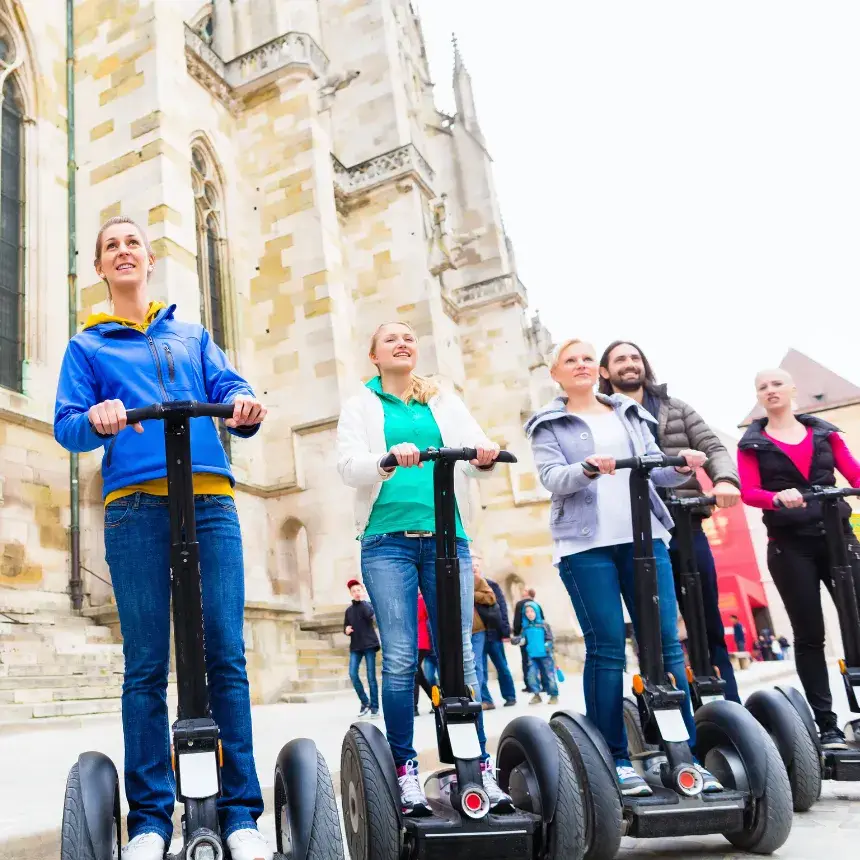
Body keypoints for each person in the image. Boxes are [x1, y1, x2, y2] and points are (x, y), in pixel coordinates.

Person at [53, 217, 270, 860]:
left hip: (208, 500)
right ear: (101, 267)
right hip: (136, 507)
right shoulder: (88, 347)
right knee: (146, 666)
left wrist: (245, 402)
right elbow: (68, 425)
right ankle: (150, 819)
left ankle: (239, 814)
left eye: (132, 244)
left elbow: (228, 389)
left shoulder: (193, 335)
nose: (123, 251)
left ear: (150, 261)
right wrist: (96, 417)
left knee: (226, 656)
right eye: (110, 246)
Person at [525, 338, 722, 797]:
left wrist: (684, 465)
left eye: (587, 359)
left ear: (599, 370)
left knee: (667, 644)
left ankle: (683, 754)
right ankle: (613, 758)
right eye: (570, 361)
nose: (581, 366)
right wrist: (589, 469)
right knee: (608, 646)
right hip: (585, 545)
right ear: (555, 374)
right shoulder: (548, 423)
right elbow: (553, 478)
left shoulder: (629, 414)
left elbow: (656, 470)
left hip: (645, 537)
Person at [336, 320, 513, 816]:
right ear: (374, 355)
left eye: (409, 337)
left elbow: (478, 450)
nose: (403, 342)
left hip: (446, 539)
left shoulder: (442, 399)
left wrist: (485, 454)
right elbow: (348, 466)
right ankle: (403, 767)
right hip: (386, 542)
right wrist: (387, 459)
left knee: (459, 653)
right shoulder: (361, 405)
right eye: (390, 338)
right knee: (398, 658)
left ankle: (473, 766)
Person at [599, 340, 743, 704]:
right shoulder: (600, 414)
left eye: (635, 357)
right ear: (606, 371)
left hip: (684, 522)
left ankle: (729, 711)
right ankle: (669, 713)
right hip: (635, 530)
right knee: (651, 628)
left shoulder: (674, 408)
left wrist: (725, 479)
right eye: (620, 359)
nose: (629, 364)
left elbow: (713, 448)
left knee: (706, 619)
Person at [738, 367, 860, 749]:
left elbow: (853, 472)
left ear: (792, 389)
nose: (771, 390)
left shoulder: (825, 433)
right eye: (763, 387)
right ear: (759, 396)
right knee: (809, 636)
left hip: (838, 537)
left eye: (777, 384)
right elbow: (749, 490)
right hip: (791, 545)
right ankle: (827, 725)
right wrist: (776, 497)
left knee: (857, 622)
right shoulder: (752, 442)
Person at [472, 552, 517, 708]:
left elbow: (501, 608)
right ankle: (486, 700)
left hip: (493, 632)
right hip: (478, 633)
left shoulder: (490, 584)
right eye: (471, 566)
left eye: (476, 566)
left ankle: (510, 696)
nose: (473, 569)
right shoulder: (466, 584)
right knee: (480, 667)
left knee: (502, 666)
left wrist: (505, 632)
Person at [344, 578, 380, 719]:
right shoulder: (349, 611)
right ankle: (365, 702)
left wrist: (363, 601)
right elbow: (346, 625)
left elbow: (370, 616)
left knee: (371, 677)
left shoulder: (368, 606)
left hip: (369, 644)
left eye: (358, 590)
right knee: (353, 673)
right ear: (351, 594)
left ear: (363, 591)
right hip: (356, 646)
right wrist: (346, 629)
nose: (356, 593)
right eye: (354, 591)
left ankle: (375, 707)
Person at [514, 601, 559, 704]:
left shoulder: (544, 625)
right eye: (527, 612)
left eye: (532, 611)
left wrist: (547, 646)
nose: (529, 613)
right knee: (531, 675)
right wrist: (517, 640)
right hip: (532, 656)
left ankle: (554, 695)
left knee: (549, 676)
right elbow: (523, 640)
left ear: (537, 612)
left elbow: (550, 638)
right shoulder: (525, 627)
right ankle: (536, 695)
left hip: (546, 656)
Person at [471, 567, 498, 711]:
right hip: (459, 629)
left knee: (476, 665)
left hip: (477, 630)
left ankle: (477, 700)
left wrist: (472, 595)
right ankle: (485, 700)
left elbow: (491, 597)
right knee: (469, 667)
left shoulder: (476, 580)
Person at [513, 586, 542, 689]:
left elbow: (517, 621)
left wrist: (516, 634)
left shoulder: (520, 604)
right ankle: (542, 683)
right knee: (539, 659)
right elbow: (542, 619)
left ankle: (529, 685)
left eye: (524, 590)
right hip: (538, 638)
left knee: (526, 660)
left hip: (525, 636)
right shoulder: (537, 604)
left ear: (527, 593)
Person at [414, 592, 438, 716]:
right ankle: (436, 701)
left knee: (414, 672)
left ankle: (414, 707)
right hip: (412, 642)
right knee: (420, 677)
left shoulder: (421, 599)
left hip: (422, 641)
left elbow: (430, 618)